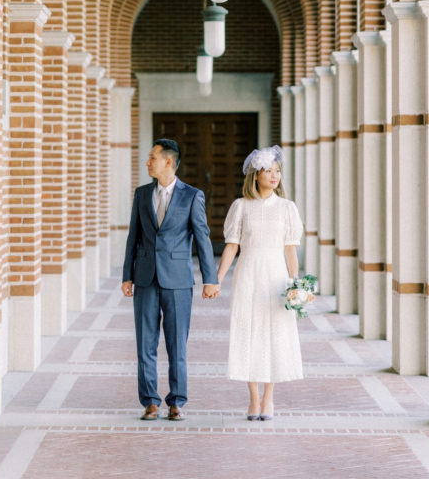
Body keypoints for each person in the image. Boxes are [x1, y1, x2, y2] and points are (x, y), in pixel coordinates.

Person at [121, 138, 220, 421]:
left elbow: (202, 237)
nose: (147, 162)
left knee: (177, 344)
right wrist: (127, 275)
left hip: (178, 280)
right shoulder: (141, 194)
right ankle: (150, 401)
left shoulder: (192, 196)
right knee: (145, 343)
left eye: (152, 157)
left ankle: (177, 401)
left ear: (168, 161)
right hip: (145, 278)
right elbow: (133, 237)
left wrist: (209, 279)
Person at [216, 144, 303, 421]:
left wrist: (296, 284)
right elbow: (231, 247)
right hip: (248, 274)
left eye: (277, 171)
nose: (274, 176)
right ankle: (253, 398)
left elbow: (291, 249)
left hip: (276, 276)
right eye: (268, 171)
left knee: (275, 333)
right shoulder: (240, 207)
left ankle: (269, 398)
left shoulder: (287, 208)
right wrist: (215, 280)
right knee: (247, 332)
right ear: (255, 175)